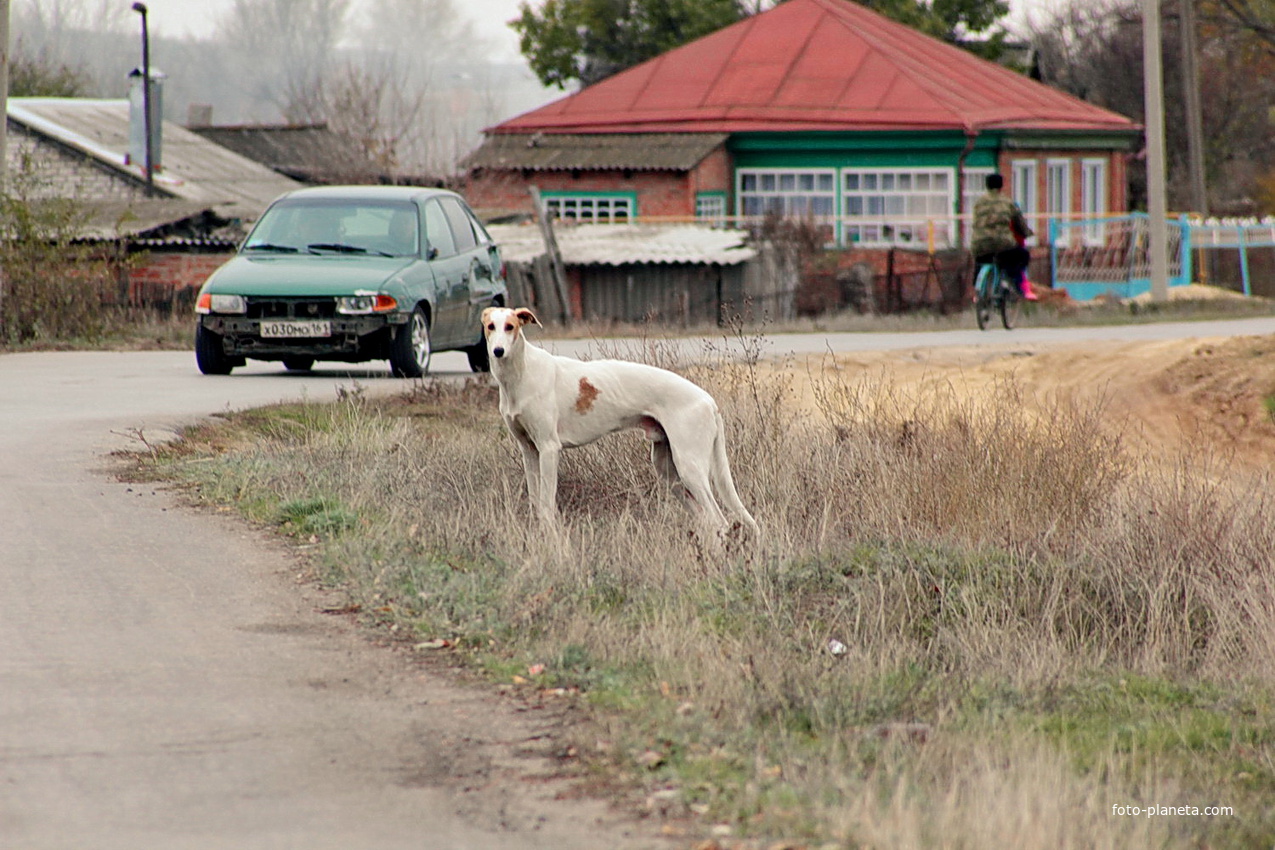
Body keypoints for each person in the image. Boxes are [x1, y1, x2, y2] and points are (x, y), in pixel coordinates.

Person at [972, 173, 1037, 300]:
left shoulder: (978, 203)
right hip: (1003, 245)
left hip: (979, 244)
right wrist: (1027, 233)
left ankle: (977, 293)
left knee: (981, 258)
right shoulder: (1008, 202)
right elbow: (1019, 222)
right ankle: (1014, 284)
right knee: (1022, 255)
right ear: (1001, 186)